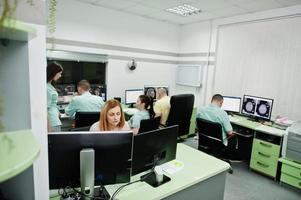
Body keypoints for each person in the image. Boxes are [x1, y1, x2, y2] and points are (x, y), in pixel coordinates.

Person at [47, 62, 63, 132]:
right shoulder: (46, 87)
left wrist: (57, 111)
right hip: (51, 122)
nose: (60, 76)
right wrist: (48, 126)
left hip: (55, 120)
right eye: (59, 73)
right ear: (54, 72)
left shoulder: (50, 86)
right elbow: (45, 109)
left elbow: (52, 104)